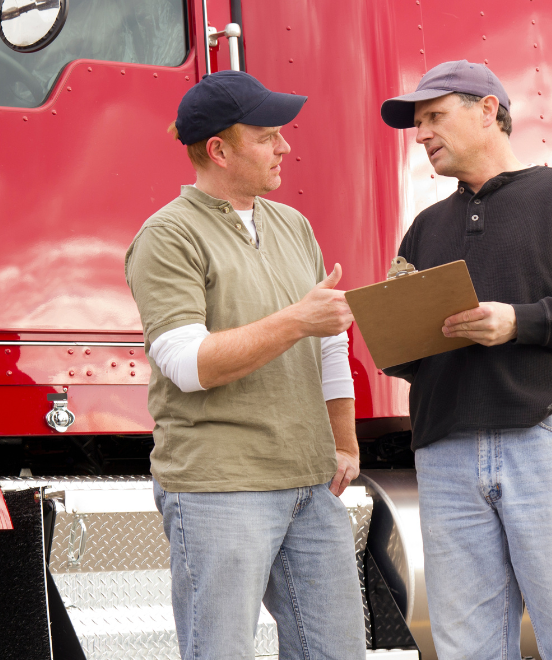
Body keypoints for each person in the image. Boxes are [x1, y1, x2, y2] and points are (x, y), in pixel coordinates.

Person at [380, 60, 552, 659]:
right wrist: (391, 339)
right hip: (445, 450)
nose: (421, 134)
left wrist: (518, 322)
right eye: (417, 124)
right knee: (464, 648)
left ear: (487, 110)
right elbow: (411, 359)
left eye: (433, 117)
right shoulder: (424, 228)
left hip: (547, 437)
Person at [125, 71, 366, 660]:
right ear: (219, 150)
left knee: (337, 652)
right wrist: (297, 321)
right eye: (268, 136)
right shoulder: (167, 236)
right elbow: (187, 364)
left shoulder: (294, 225)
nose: (285, 147)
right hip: (219, 486)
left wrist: (344, 443)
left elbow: (330, 341)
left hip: (311, 481)